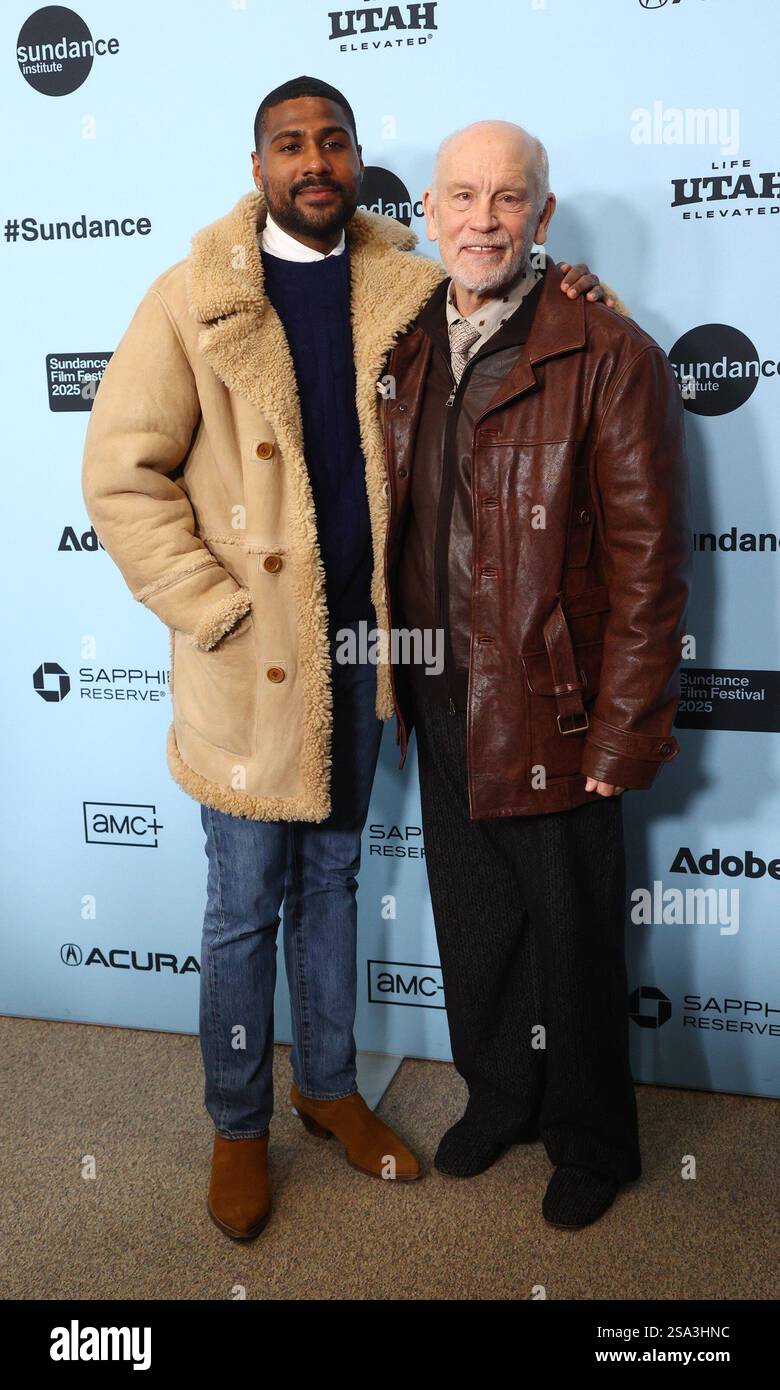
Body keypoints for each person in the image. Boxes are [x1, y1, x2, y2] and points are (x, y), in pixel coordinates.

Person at [81, 78, 614, 1241]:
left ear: (362, 160)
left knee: (331, 887)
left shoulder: (408, 287)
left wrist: (578, 285)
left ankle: (326, 1092)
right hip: (243, 666)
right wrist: (210, 608)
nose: (313, 161)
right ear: (259, 163)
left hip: (369, 657)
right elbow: (120, 474)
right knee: (240, 909)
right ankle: (237, 1122)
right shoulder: (192, 297)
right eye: (290, 145)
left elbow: (514, 311)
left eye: (333, 142)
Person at [383, 120, 692, 1229]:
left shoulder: (609, 353)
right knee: (476, 923)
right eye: (462, 196)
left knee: (572, 933)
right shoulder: (406, 337)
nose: (483, 219)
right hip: (437, 689)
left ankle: (592, 1137)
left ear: (543, 218)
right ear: (428, 209)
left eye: (508, 200)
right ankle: (502, 1095)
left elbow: (649, 563)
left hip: (552, 702)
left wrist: (622, 733)